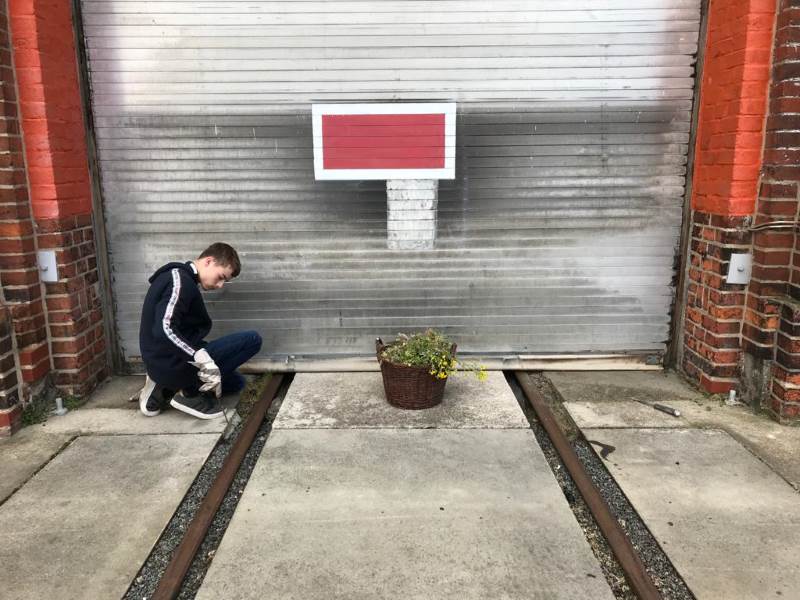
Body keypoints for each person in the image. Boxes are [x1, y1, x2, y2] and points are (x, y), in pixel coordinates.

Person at [138, 242, 262, 419]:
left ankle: (165, 385)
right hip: (169, 362)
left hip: (166, 359)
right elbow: (164, 329)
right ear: (208, 261)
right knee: (253, 340)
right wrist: (199, 356)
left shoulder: (182, 279)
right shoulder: (179, 281)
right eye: (221, 277)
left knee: (236, 383)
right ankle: (188, 393)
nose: (220, 285)